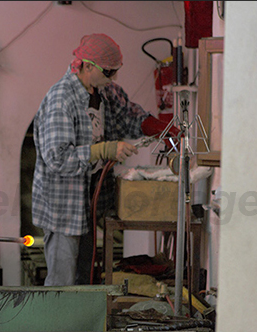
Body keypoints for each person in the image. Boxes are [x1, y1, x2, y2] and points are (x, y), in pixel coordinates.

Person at [32, 33, 179, 286]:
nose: (114, 78)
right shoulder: (61, 99)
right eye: (109, 72)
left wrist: (163, 130)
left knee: (84, 278)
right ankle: (57, 325)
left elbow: (129, 115)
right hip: (64, 205)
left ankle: (80, 324)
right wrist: (103, 150)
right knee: (63, 282)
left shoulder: (105, 91)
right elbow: (57, 157)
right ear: (87, 66)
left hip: (91, 201)